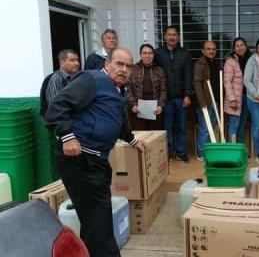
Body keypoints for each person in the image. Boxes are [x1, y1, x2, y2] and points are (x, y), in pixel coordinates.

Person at [45, 48, 147, 257]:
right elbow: (57, 105)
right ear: (108, 64)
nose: (124, 70)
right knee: (99, 227)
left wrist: (132, 139)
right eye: (119, 64)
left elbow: (117, 121)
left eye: (128, 66)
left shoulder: (119, 90)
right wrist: (67, 136)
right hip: (80, 160)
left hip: (97, 162)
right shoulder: (92, 79)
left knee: (95, 223)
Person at [154, 25, 193, 163]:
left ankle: (181, 152)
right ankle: (169, 152)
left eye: (174, 35)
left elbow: (189, 75)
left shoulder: (184, 53)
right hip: (165, 99)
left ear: (178, 37)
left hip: (180, 98)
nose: (172, 37)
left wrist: (188, 94)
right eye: (169, 35)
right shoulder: (158, 53)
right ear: (165, 37)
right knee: (167, 127)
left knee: (181, 127)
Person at [127, 43, 167, 130]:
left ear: (153, 55)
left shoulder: (159, 70)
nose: (147, 56)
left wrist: (160, 105)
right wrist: (133, 105)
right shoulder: (133, 69)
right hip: (137, 108)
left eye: (150, 53)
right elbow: (128, 89)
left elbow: (163, 90)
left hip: (155, 108)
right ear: (140, 55)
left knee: (155, 136)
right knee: (140, 136)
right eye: (144, 53)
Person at [194, 41, 221, 161]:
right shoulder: (200, 64)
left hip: (216, 101)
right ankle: (201, 154)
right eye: (208, 49)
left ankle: (209, 150)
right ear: (203, 51)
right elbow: (197, 84)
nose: (211, 51)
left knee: (213, 126)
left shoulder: (216, 63)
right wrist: (202, 103)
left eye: (213, 49)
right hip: (205, 102)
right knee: (205, 128)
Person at [223, 37, 251, 142]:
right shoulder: (230, 61)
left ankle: (238, 150)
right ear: (234, 48)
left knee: (242, 125)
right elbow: (227, 81)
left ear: (246, 46)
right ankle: (232, 150)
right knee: (234, 125)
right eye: (237, 46)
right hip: (235, 98)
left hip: (247, 97)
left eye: (242, 45)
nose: (240, 48)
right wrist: (232, 99)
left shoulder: (250, 60)